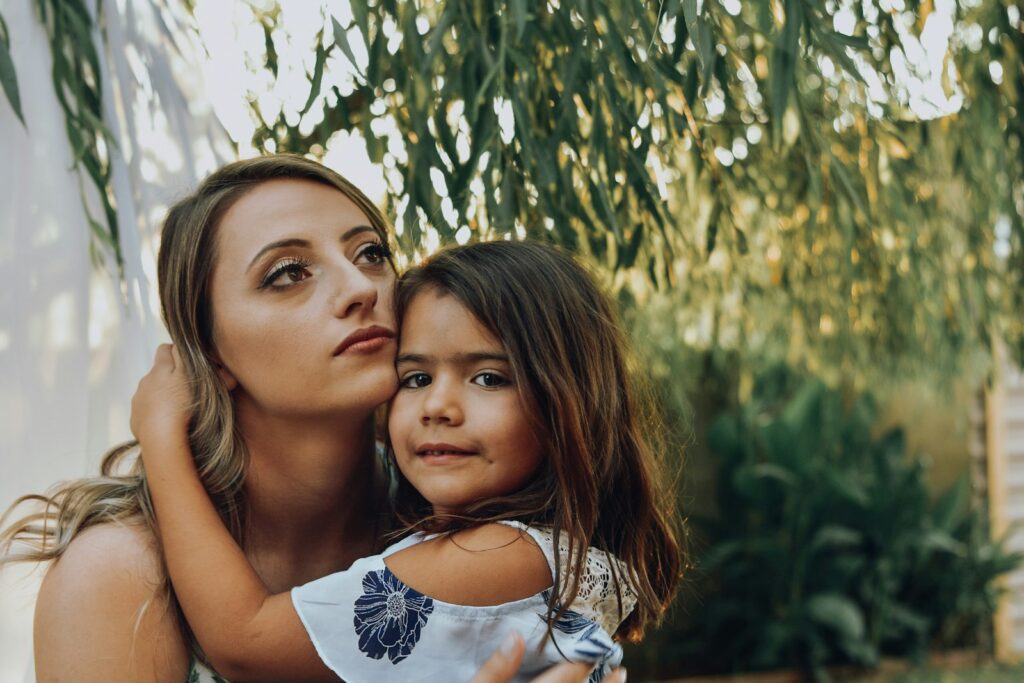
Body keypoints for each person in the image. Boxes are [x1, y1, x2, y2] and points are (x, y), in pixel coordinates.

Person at [0, 155, 623, 683]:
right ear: (209, 351)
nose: (360, 286)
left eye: (371, 253)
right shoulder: (122, 578)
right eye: (288, 273)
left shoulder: (465, 521)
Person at [131, 241, 682, 682]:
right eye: (416, 378)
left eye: (488, 378)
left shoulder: (500, 554)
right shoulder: (532, 551)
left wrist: (161, 438)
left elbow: (245, 642)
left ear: (571, 403)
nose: (437, 407)